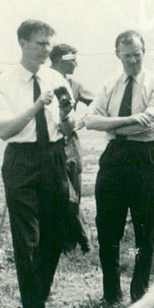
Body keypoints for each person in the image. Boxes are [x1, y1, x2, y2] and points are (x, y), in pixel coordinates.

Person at [0, 19, 75, 308]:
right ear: (23, 43)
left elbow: (67, 129)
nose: (47, 50)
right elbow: (4, 130)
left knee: (53, 233)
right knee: (27, 239)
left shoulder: (56, 78)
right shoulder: (5, 82)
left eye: (50, 44)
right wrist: (36, 105)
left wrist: (66, 116)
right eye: (41, 43)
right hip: (21, 160)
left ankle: (37, 300)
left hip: (54, 157)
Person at [85, 30, 154, 305]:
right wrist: (130, 120)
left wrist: (111, 121)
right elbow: (90, 120)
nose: (133, 60)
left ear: (144, 53)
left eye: (138, 54)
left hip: (145, 157)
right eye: (127, 55)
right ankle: (111, 292)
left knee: (145, 229)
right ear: (117, 55)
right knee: (108, 227)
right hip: (115, 157)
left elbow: (151, 120)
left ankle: (139, 291)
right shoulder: (110, 85)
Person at [50, 43, 94, 252]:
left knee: (73, 194)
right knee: (63, 196)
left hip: (71, 146)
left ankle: (69, 244)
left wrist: (83, 120)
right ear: (59, 60)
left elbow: (96, 103)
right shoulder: (43, 80)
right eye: (72, 60)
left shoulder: (75, 85)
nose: (76, 64)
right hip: (48, 147)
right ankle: (84, 241)